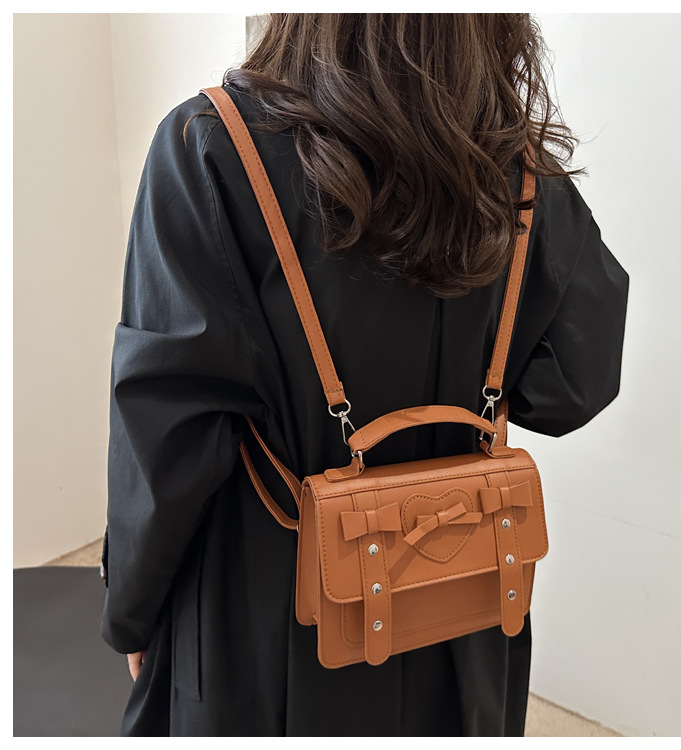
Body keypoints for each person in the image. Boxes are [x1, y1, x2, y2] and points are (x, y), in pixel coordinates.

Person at [100, 13, 629, 737]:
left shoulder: (213, 146)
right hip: (463, 609)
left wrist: (132, 610)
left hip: (266, 626)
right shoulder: (518, 170)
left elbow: (163, 436)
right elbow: (575, 384)